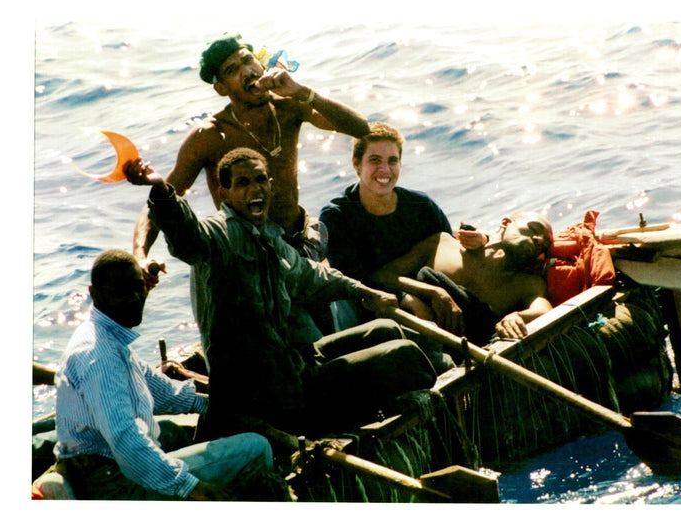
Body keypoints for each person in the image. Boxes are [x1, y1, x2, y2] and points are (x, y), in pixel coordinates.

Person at [124, 148, 439, 440]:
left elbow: (311, 275)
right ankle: (341, 419)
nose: (255, 189)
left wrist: (361, 291)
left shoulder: (269, 238)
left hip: (289, 365)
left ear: (271, 185)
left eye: (260, 179)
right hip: (263, 395)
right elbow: (187, 235)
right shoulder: (218, 235)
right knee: (405, 357)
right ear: (224, 194)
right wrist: (160, 188)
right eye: (243, 183)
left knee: (387, 330)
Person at [132, 34, 371, 289]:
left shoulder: (290, 106)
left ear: (260, 63)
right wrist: (139, 255)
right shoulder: (210, 135)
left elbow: (360, 128)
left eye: (248, 60)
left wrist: (303, 92)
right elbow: (160, 202)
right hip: (248, 258)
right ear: (221, 88)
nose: (247, 72)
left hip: (300, 245)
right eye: (232, 70)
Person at [52, 249, 278, 501]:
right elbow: (126, 439)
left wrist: (210, 403)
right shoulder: (99, 355)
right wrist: (192, 487)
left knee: (173, 431)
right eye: (121, 291)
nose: (135, 298)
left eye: (138, 287)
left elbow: (163, 392)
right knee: (256, 447)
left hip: (106, 463)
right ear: (95, 294)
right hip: (111, 482)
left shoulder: (108, 337)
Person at [319, 122, 452, 327]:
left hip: (426, 294)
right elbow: (353, 280)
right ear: (356, 163)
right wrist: (404, 297)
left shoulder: (422, 206)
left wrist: (476, 242)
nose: (384, 170)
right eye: (375, 160)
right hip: (372, 308)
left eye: (392, 161)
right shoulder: (337, 215)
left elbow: (448, 251)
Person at [370, 212, 554, 344]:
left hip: (458, 353)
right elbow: (382, 275)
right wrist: (433, 292)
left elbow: (545, 311)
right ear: (505, 223)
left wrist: (518, 316)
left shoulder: (527, 283)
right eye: (533, 229)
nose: (539, 240)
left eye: (545, 244)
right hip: (406, 332)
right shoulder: (442, 243)